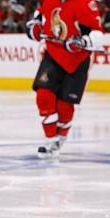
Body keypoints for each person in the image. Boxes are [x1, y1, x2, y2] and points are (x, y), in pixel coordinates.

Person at [26, 0, 104, 158]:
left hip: (77, 60)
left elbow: (97, 33)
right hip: (53, 54)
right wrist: (34, 27)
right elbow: (40, 17)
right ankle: (50, 140)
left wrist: (83, 42)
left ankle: (60, 137)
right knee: (44, 96)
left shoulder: (86, 3)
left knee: (64, 107)